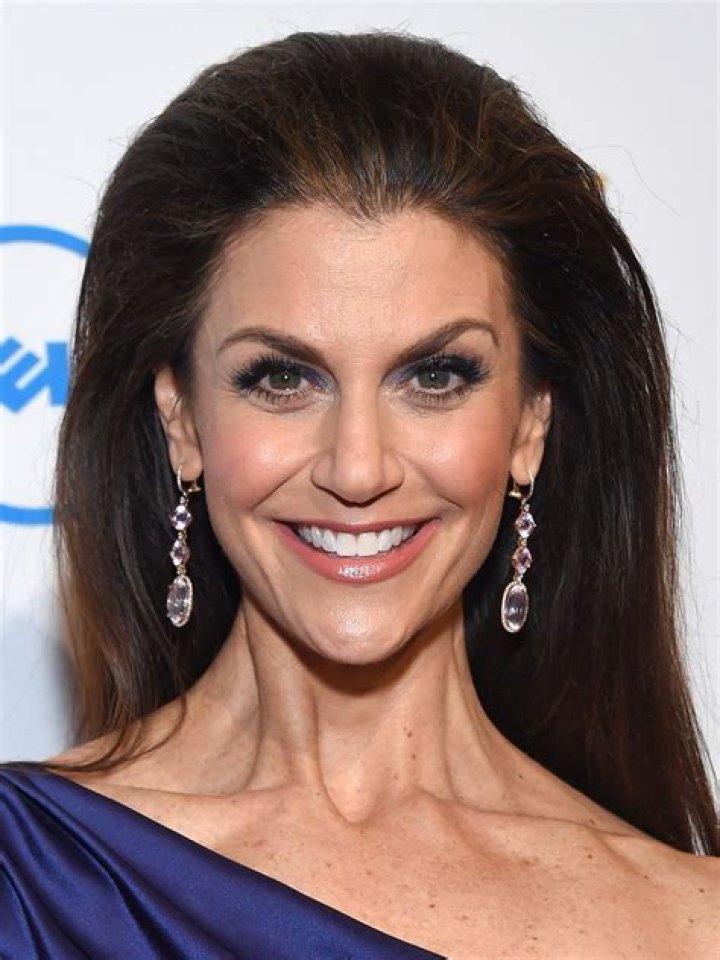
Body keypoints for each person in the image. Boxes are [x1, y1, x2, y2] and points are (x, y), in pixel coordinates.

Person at [0, 30, 716, 960]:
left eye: (436, 376)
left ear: (530, 424)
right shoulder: (27, 880)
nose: (358, 468)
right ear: (181, 420)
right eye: (281, 378)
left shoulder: (689, 925)